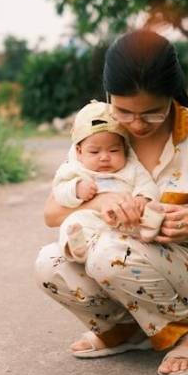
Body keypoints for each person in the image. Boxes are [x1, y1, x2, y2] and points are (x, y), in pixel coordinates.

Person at [34, 29, 188, 375]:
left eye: (152, 113)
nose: (136, 125)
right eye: (124, 111)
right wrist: (103, 200)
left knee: (110, 251)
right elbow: (52, 213)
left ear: (172, 94)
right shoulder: (98, 136)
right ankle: (126, 330)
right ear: (109, 96)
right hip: (122, 264)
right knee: (49, 262)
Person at [52, 100, 164, 262]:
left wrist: (143, 198)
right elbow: (59, 190)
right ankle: (77, 247)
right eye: (94, 151)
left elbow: (147, 184)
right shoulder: (76, 169)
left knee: (149, 211)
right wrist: (76, 189)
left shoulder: (131, 168)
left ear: (124, 149)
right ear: (79, 151)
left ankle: (149, 231)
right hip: (93, 220)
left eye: (113, 150)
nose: (104, 157)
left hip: (127, 220)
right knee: (72, 223)